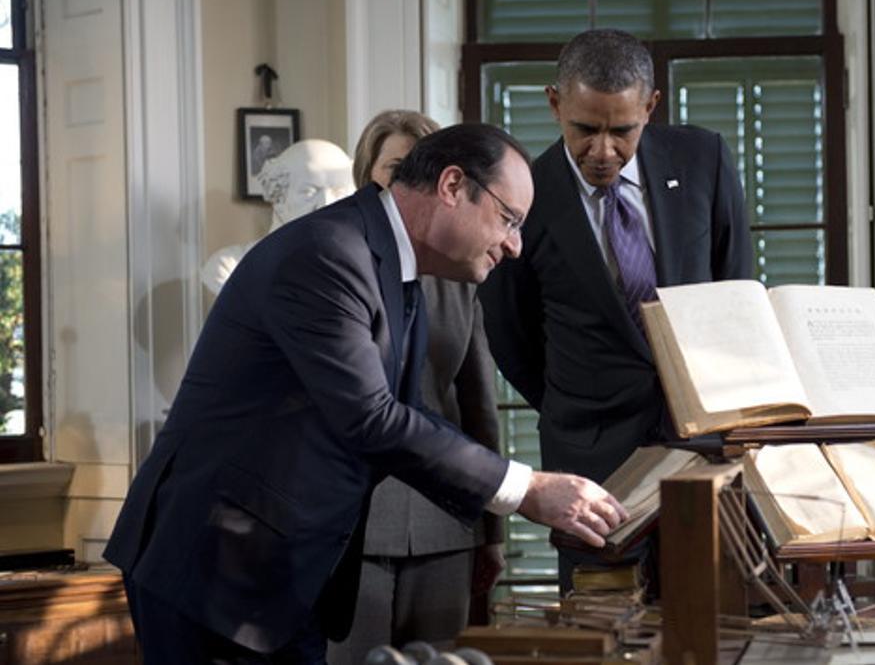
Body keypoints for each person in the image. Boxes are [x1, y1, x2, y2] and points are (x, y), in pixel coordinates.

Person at [104, 123, 627, 664]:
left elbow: (405, 412)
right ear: (452, 186)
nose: (515, 246)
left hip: (286, 576)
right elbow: (371, 420)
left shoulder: (394, 266)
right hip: (214, 568)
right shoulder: (327, 253)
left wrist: (507, 495)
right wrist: (526, 489)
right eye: (509, 219)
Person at [479, 28, 752, 590]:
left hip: (702, 450)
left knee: (712, 622)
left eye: (621, 130)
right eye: (585, 129)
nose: (602, 151)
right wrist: (580, 403)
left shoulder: (704, 160)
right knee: (601, 630)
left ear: (650, 107)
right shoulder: (524, 195)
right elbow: (511, 336)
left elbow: (736, 293)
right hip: (591, 462)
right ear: (555, 104)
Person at [325, 110, 502, 663]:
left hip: (445, 524)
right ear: (367, 174)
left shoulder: (461, 277)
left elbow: (479, 408)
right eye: (396, 167)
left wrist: (492, 531)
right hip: (355, 525)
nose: (408, 180)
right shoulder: (337, 265)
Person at [202, 139, 356, 294]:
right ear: (278, 195)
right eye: (309, 191)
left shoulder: (361, 270)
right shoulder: (230, 268)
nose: (326, 204)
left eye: (339, 192)